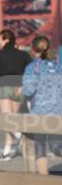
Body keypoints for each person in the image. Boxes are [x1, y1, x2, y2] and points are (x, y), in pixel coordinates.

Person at [0, 29, 32, 161]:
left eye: (0, 40)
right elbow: (30, 72)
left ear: (6, 40)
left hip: (5, 85)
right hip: (19, 86)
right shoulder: (24, 54)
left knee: (7, 119)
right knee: (13, 117)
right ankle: (10, 147)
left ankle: (10, 146)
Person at [22, 36, 62, 176]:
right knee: (57, 147)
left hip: (39, 112)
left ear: (33, 50)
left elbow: (28, 91)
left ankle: (44, 180)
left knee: (40, 145)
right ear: (48, 48)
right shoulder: (59, 66)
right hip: (58, 111)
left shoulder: (33, 67)